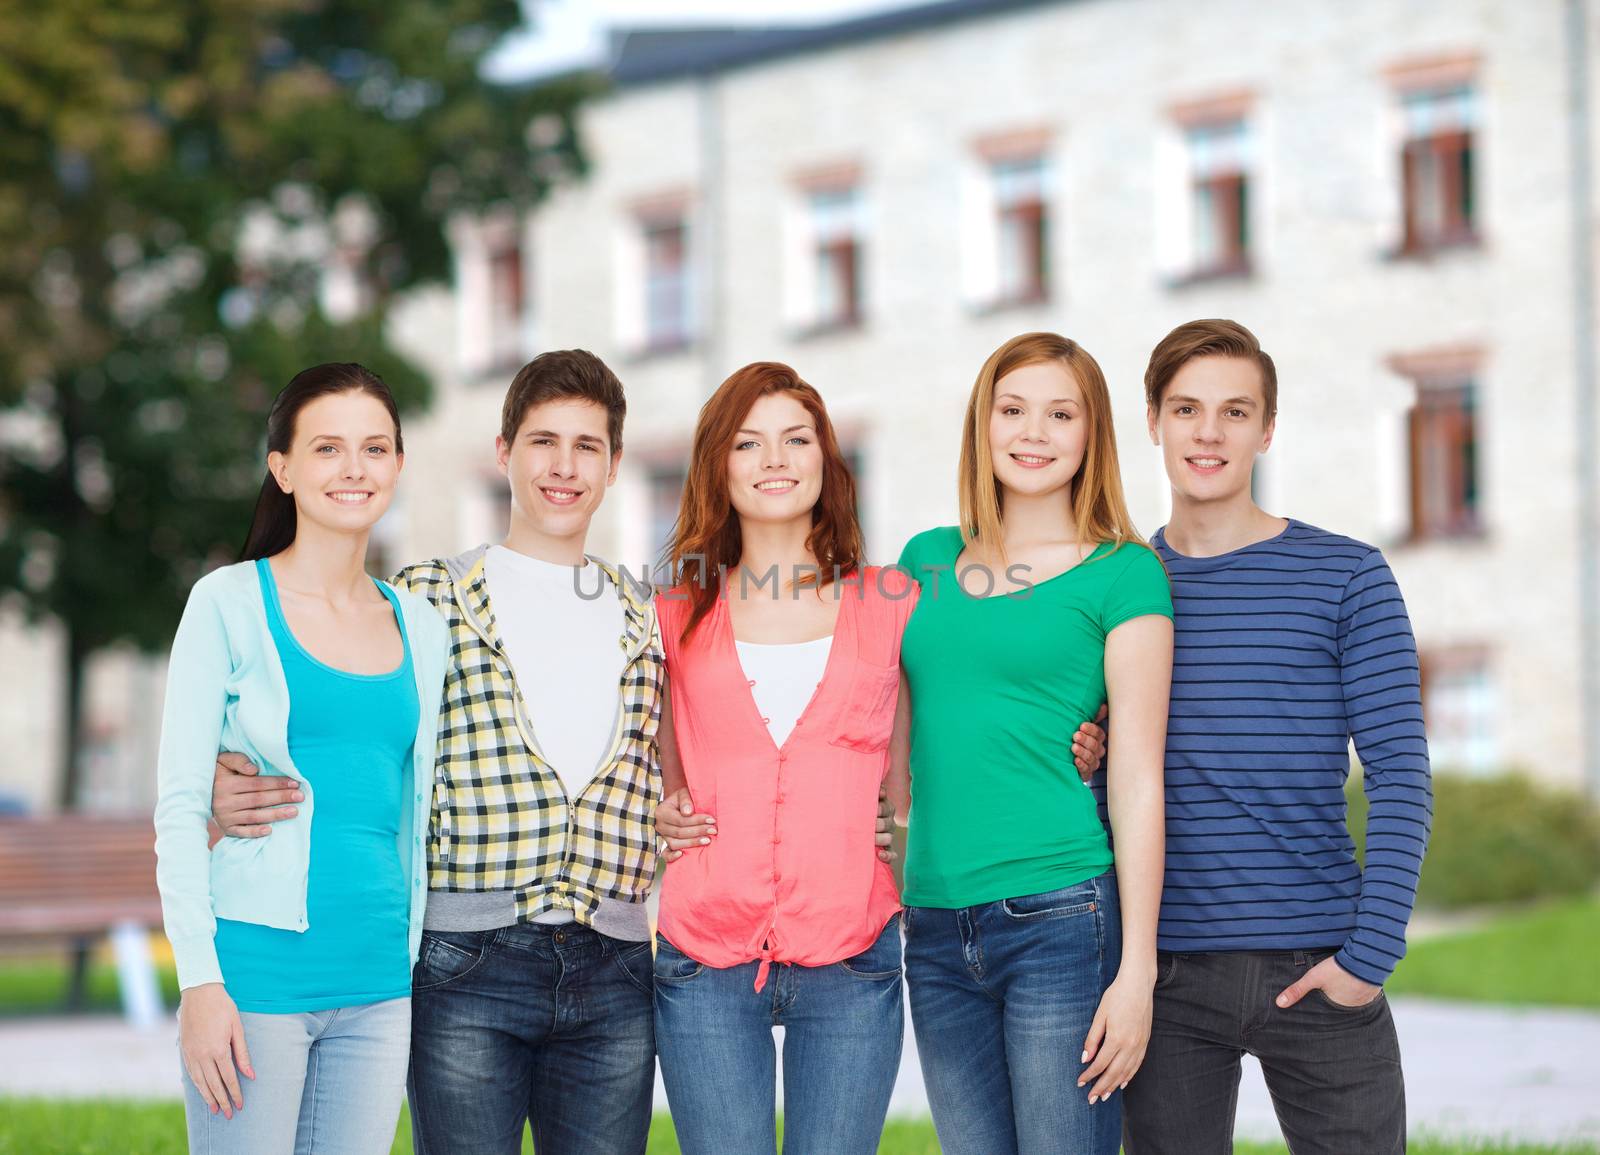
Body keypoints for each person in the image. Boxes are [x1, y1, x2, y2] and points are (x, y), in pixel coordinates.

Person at [210, 351, 664, 1155]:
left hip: (615, 968)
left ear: (616, 464)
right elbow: (342, 724)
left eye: (587, 446)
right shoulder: (426, 597)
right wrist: (224, 772)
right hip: (468, 962)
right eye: (543, 441)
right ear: (504, 452)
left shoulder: (645, 614)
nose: (564, 466)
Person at [1120, 319, 1432, 1155]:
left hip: (1320, 961)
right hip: (1166, 974)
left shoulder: (1348, 576)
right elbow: (1115, 776)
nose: (1209, 433)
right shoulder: (1119, 586)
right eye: (1187, 408)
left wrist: (1368, 958)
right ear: (1153, 421)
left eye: (1234, 411)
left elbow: (1401, 776)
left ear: (1266, 428)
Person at [153, 363, 450, 1154]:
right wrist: (200, 984)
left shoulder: (421, 624)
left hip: (382, 981)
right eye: (327, 448)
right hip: (255, 979)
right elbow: (180, 805)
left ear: (396, 465)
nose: (353, 469)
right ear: (281, 468)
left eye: (374, 447)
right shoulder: (226, 603)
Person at [893, 332, 1172, 1155]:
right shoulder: (924, 560)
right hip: (934, 924)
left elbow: (1138, 776)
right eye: (1012, 410)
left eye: (1060, 413)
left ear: (1092, 434)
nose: (1033, 432)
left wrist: (1137, 972)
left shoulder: (1124, 572)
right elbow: (878, 734)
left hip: (1060, 912)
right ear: (983, 425)